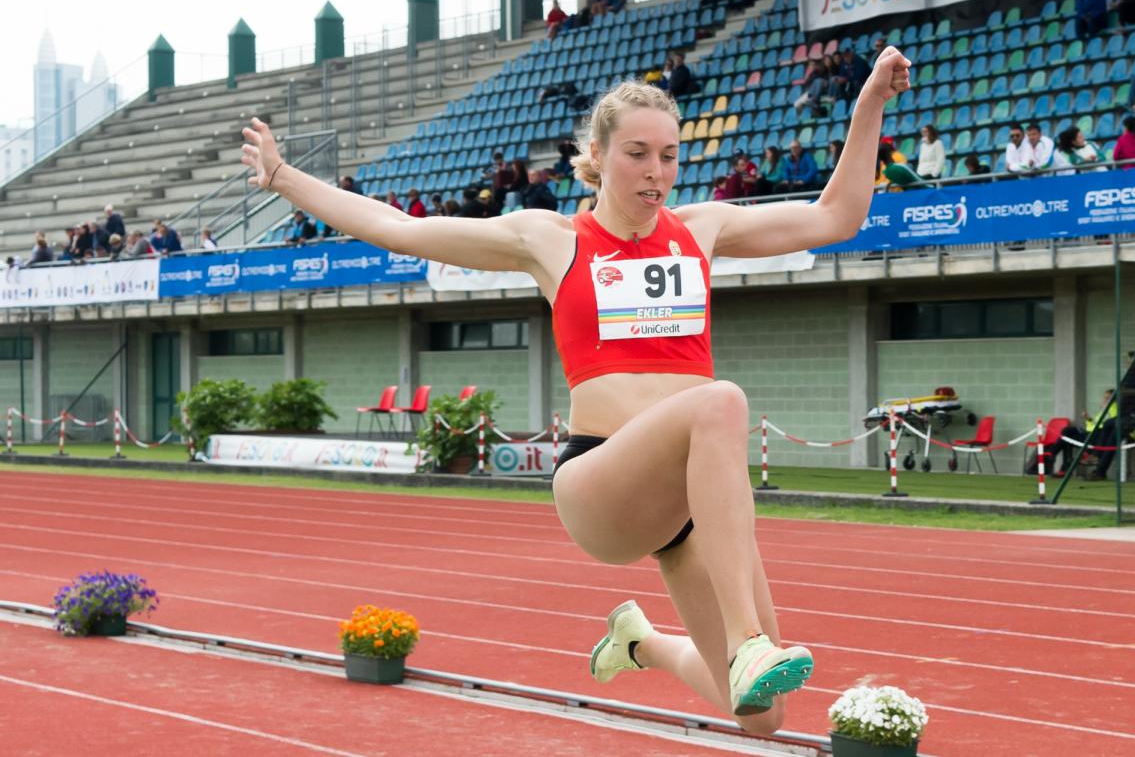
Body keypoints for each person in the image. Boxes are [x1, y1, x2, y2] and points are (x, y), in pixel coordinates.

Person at [240, 46, 913, 733]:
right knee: (722, 401)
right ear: (598, 152)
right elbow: (401, 230)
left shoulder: (704, 229)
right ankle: (748, 644)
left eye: (671, 156)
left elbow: (838, 218)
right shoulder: (553, 239)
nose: (657, 173)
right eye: (638, 154)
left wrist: (869, 107)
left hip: (685, 505)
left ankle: (641, 643)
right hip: (600, 481)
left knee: (764, 718)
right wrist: (285, 177)